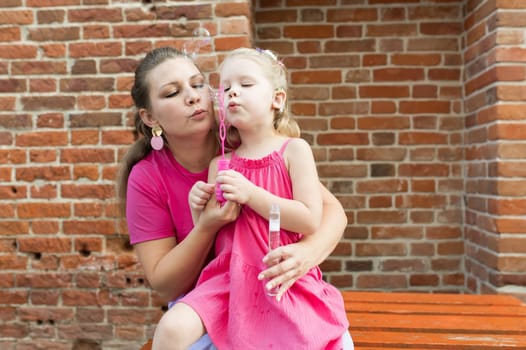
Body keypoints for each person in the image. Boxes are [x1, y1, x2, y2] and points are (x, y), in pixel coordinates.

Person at [116, 46, 350, 349]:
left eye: (199, 84)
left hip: (271, 278)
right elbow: (164, 282)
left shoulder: (253, 143)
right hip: (218, 290)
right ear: (149, 117)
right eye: (172, 93)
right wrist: (205, 226)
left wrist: (306, 254)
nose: (193, 96)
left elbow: (330, 213)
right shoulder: (150, 176)